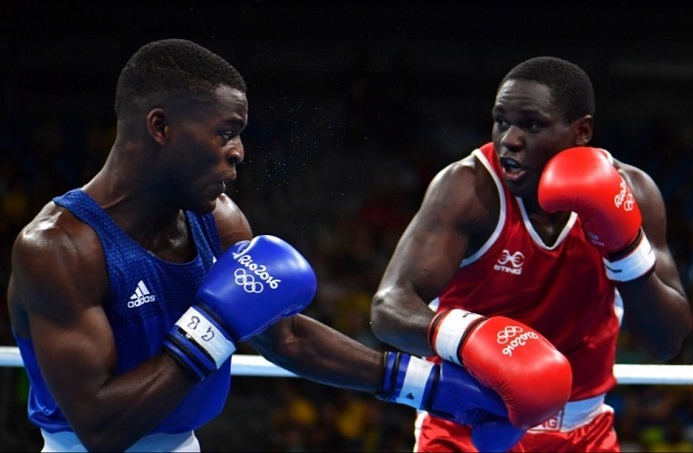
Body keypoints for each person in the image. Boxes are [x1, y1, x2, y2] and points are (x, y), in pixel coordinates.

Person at [4, 38, 563, 453]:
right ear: (159, 126)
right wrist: (211, 327)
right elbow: (100, 428)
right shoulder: (59, 248)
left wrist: (429, 385)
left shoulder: (217, 221)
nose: (240, 152)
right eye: (225, 132)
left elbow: (286, 337)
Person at [370, 55, 693, 452]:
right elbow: (389, 309)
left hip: (583, 433)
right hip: (469, 428)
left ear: (582, 131)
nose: (510, 139)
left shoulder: (633, 193)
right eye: (501, 120)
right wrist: (471, 339)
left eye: (532, 124)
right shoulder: (469, 189)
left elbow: (666, 342)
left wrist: (625, 250)